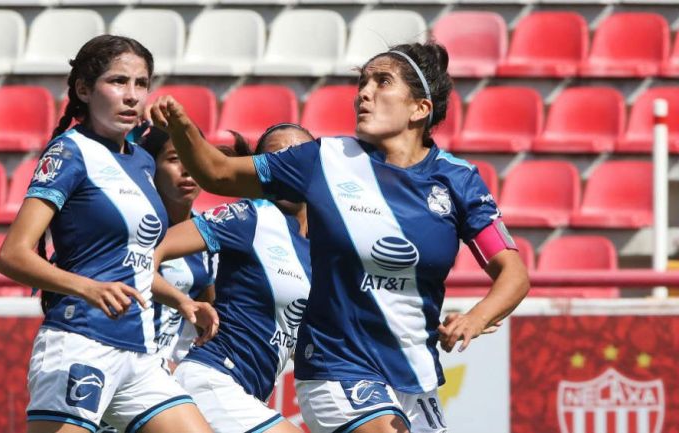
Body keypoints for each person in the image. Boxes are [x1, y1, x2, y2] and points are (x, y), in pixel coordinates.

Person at [148, 40, 530, 433]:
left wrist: (475, 317)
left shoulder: (459, 181)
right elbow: (218, 173)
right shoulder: (324, 160)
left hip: (415, 375)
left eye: (382, 82)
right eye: (362, 82)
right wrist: (182, 127)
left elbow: (513, 274)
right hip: (337, 367)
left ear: (420, 108)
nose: (364, 93)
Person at [0, 35, 217, 433]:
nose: (132, 95)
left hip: (138, 353)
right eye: (118, 81)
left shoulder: (141, 162)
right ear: (83, 89)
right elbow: (13, 255)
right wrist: (88, 288)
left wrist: (183, 302)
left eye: (141, 83)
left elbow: (130, 265)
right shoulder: (69, 152)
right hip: (81, 342)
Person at [148, 124, 315, 433]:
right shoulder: (251, 216)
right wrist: (180, 300)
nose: (287, 165)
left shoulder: (321, 247)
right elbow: (150, 253)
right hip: (213, 380)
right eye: (275, 158)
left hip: (248, 394)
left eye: (296, 156)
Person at [140, 127, 216, 370]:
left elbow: (208, 314)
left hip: (176, 367)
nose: (187, 169)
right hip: (134, 362)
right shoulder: (139, 228)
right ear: (151, 167)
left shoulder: (208, 233)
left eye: (193, 158)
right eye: (174, 159)